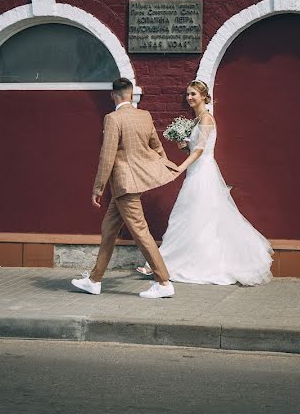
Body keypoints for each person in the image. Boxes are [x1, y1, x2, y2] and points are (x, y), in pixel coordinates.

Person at [138, 79, 273, 286]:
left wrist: (179, 167)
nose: (189, 98)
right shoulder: (197, 120)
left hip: (202, 173)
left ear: (203, 96)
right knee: (190, 217)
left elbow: (201, 151)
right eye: (187, 95)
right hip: (196, 171)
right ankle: (163, 264)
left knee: (189, 216)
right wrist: (184, 146)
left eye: (193, 94)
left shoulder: (207, 119)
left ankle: (162, 264)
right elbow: (194, 149)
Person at [71, 77, 180, 299]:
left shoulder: (112, 118)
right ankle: (94, 280)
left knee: (140, 231)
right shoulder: (145, 116)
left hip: (124, 185)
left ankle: (163, 282)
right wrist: (160, 168)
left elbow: (107, 155)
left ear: (113, 95)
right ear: (131, 94)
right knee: (109, 230)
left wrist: (98, 188)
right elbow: (157, 147)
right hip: (131, 184)